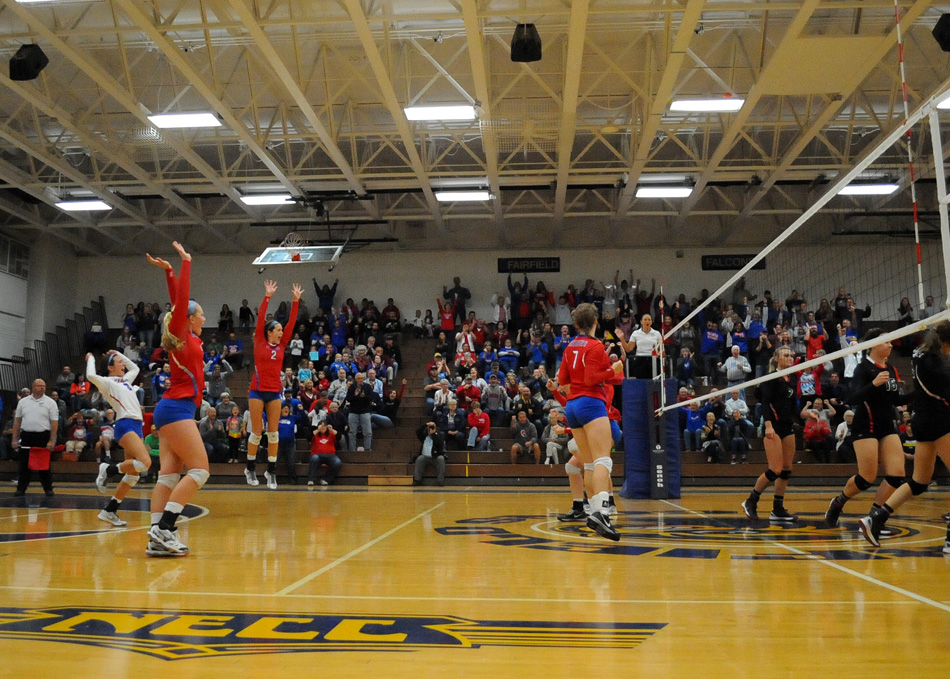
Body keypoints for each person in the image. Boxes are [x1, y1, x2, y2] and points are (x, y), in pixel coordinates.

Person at [858, 321, 950, 550]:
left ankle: (875, 519)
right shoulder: (937, 364)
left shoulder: (921, 355)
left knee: (919, 481)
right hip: (939, 421)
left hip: (922, 421)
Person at [143, 241, 210, 557]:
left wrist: (170, 271)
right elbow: (181, 300)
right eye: (201, 313)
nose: (205, 317)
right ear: (191, 317)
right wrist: (185, 263)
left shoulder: (185, 334)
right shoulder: (183, 333)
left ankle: (156, 538)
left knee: (169, 475)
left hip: (170, 409)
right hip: (177, 409)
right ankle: (164, 527)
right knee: (200, 471)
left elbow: (177, 301)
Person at [825, 328, 911, 529]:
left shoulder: (891, 369)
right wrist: (873, 384)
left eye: (891, 342)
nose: (890, 345)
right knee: (866, 478)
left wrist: (921, 393)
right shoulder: (862, 369)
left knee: (897, 475)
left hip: (886, 425)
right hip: (865, 425)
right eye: (886, 341)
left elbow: (896, 399)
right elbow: (851, 399)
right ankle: (838, 502)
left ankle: (874, 517)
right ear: (872, 345)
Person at [557, 303, 625, 540]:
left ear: (576, 324)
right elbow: (592, 378)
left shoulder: (569, 347)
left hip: (573, 406)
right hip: (590, 403)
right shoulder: (596, 346)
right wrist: (614, 369)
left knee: (587, 464)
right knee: (603, 460)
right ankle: (602, 511)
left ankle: (596, 514)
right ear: (596, 321)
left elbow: (562, 379)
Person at [245, 279, 302, 490]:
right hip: (257, 391)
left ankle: (271, 471)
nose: (280, 332)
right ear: (269, 332)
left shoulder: (283, 344)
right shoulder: (260, 340)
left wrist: (295, 301)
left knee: (274, 432)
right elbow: (261, 317)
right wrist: (267, 296)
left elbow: (292, 323)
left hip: (274, 392)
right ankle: (250, 468)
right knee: (257, 432)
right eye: (277, 329)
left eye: (281, 330)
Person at [88, 351, 151, 527]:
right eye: (119, 362)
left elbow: (136, 368)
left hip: (136, 426)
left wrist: (119, 353)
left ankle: (110, 510)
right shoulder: (107, 382)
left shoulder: (125, 381)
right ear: (110, 367)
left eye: (123, 362)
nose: (123, 364)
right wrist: (91, 358)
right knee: (145, 463)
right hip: (125, 424)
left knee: (133, 475)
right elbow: (90, 375)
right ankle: (108, 470)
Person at [741, 346, 799, 523]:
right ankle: (751, 501)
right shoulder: (771, 377)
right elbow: (765, 403)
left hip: (787, 425)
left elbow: (790, 404)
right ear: (776, 359)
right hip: (772, 426)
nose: (790, 358)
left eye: (791, 355)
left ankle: (778, 509)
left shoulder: (793, 377)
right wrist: (768, 426)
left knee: (787, 469)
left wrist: (803, 415)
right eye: (786, 355)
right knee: (775, 469)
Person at [11, 379, 58, 497]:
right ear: (33, 387)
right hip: (27, 435)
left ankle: (48, 488)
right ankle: (21, 488)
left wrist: (52, 440)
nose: (42, 388)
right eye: (39, 386)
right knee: (24, 464)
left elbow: (54, 423)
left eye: (44, 386)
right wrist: (14, 439)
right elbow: (17, 421)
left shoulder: (51, 402)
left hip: (43, 436)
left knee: (44, 465)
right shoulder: (23, 402)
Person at [619, 313, 661, 379]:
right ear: (641, 322)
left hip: (653, 360)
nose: (647, 321)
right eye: (645, 319)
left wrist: (660, 352)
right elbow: (628, 349)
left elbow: (661, 348)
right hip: (640, 360)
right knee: (641, 381)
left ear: (651, 322)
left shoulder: (657, 333)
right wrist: (622, 338)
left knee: (653, 382)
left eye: (649, 320)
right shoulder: (636, 333)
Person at [308, 420, 342, 486]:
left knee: (337, 462)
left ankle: (326, 479)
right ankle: (311, 479)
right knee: (314, 458)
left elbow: (339, 436)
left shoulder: (331, 434)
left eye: (324, 426)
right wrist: (318, 430)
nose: (323, 427)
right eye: (321, 426)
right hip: (317, 455)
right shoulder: (315, 434)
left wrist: (331, 429)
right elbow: (308, 438)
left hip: (330, 455)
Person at [414, 421, 446, 486]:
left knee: (441, 459)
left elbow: (439, 444)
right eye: (429, 427)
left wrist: (433, 434)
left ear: (435, 428)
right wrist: (426, 424)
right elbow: (418, 431)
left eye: (432, 427)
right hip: (425, 456)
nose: (430, 429)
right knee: (419, 459)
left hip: (435, 456)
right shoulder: (424, 436)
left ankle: (440, 480)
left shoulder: (439, 435)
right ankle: (417, 480)